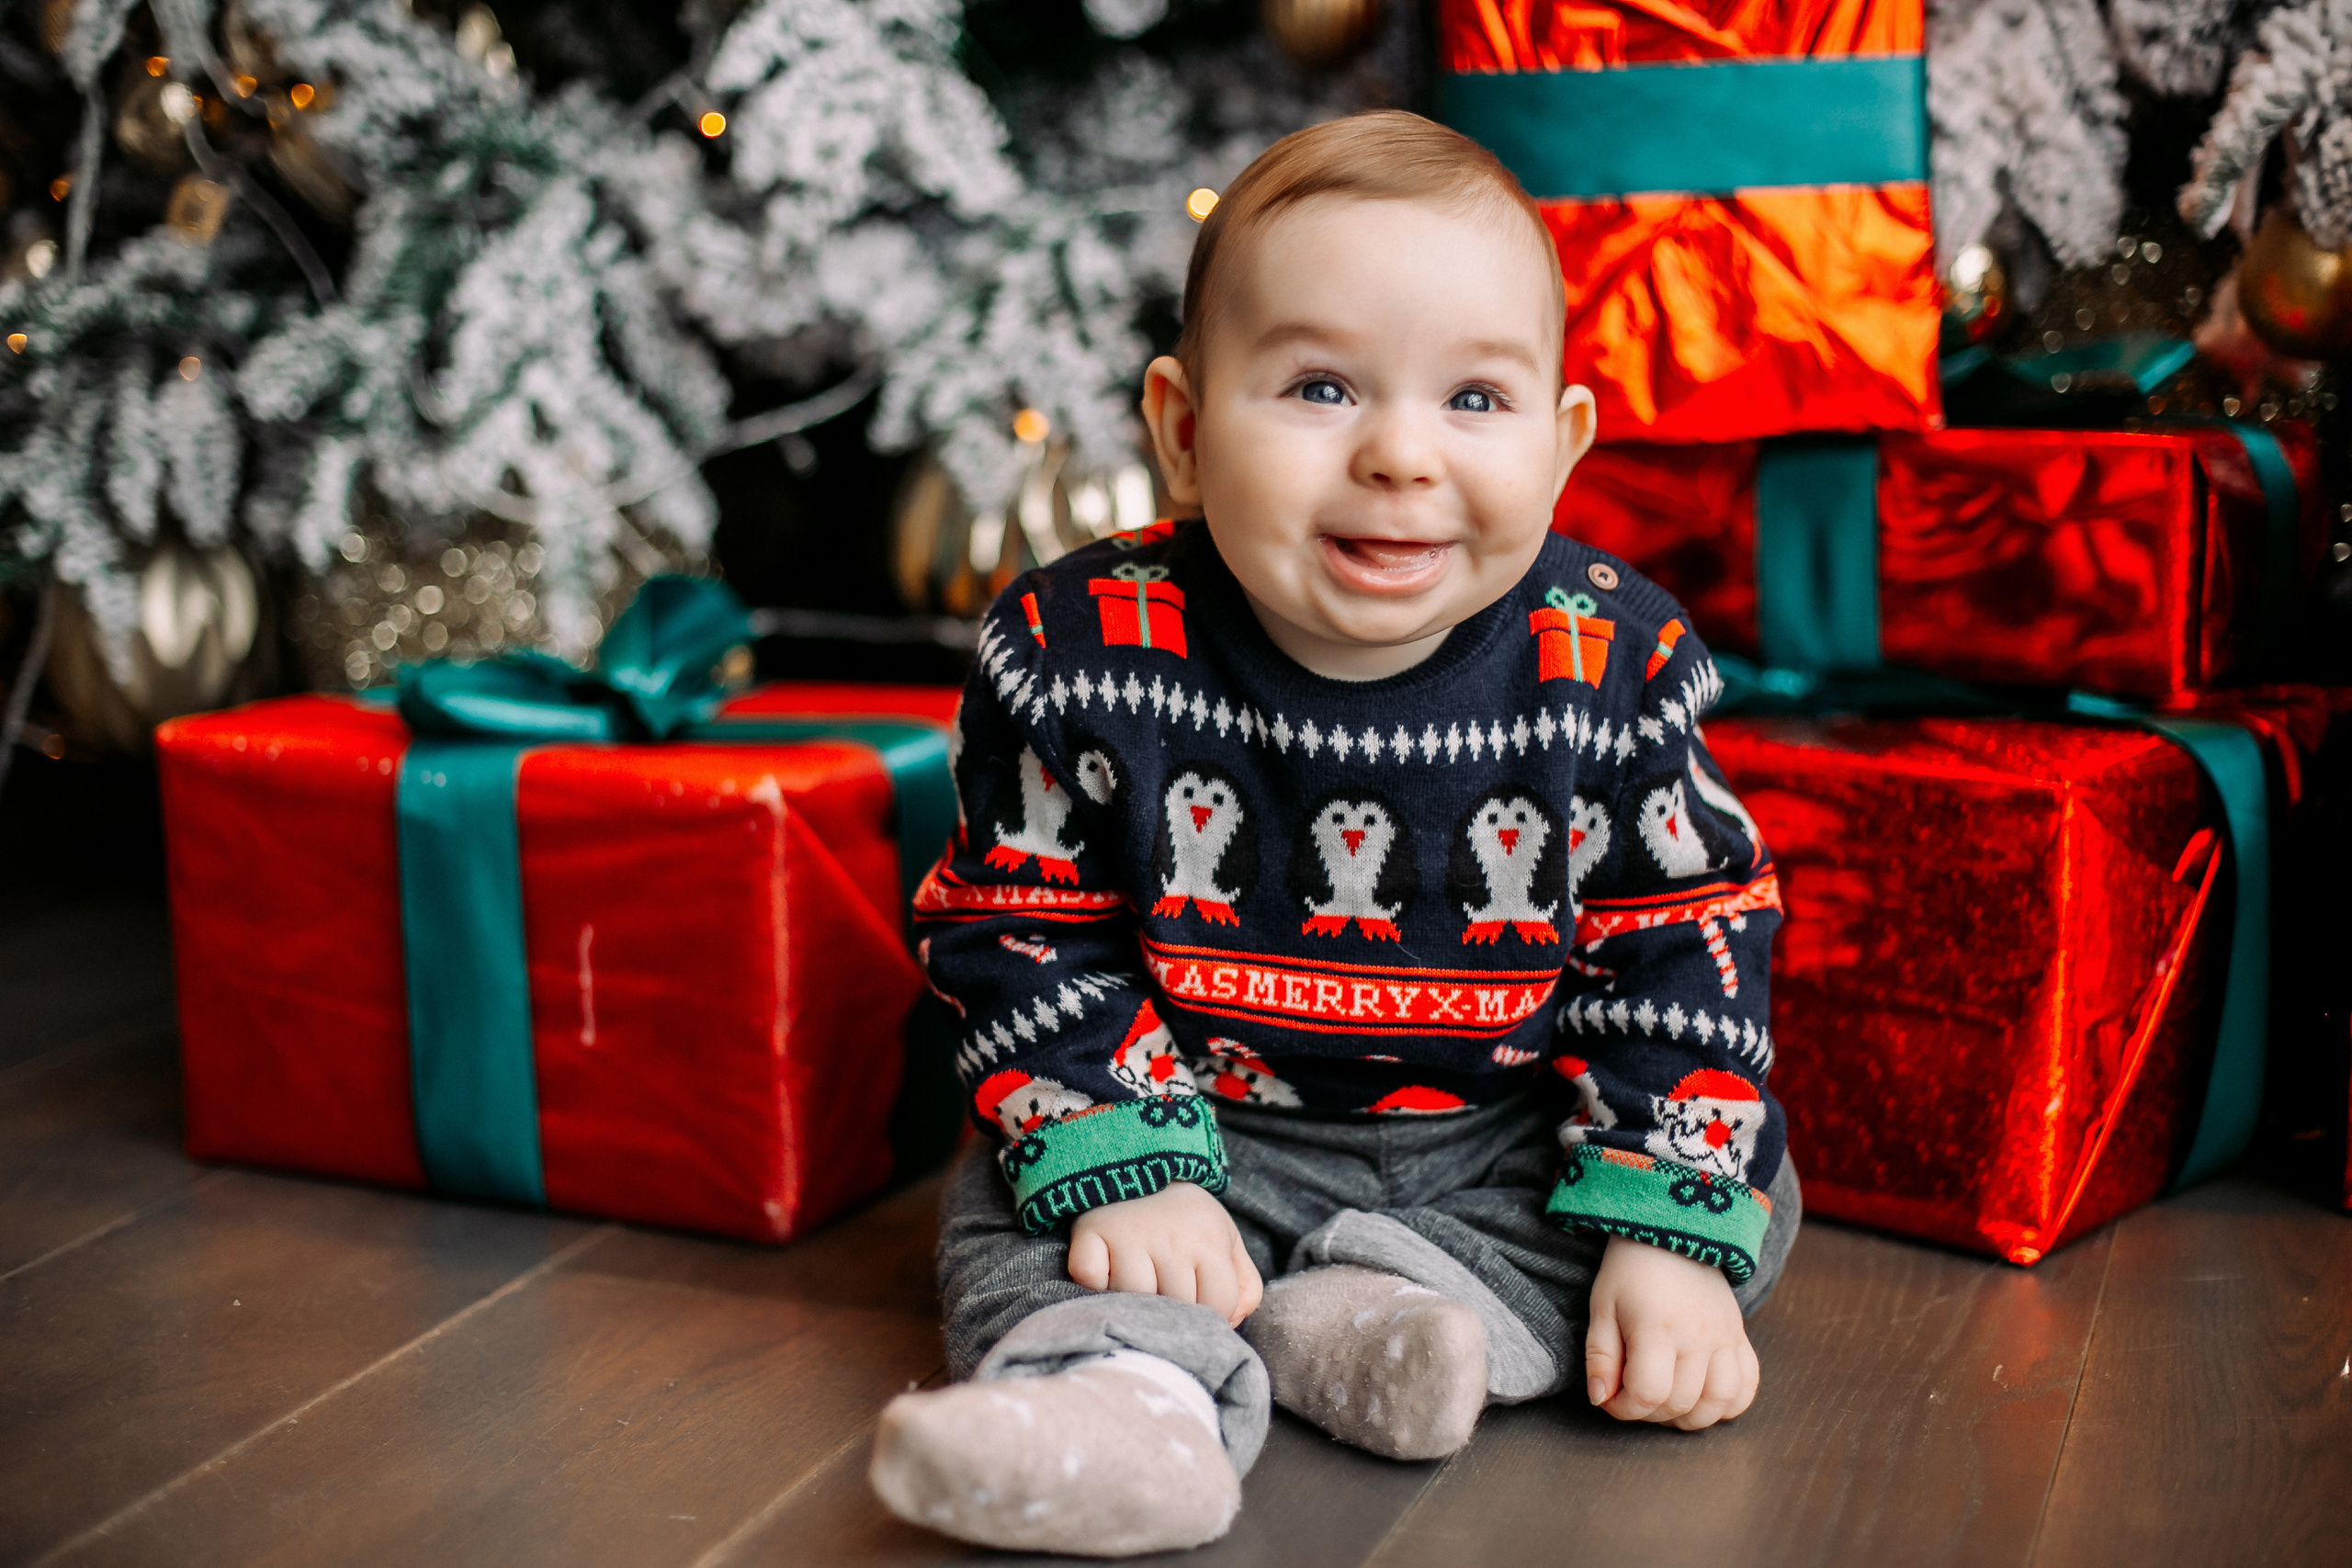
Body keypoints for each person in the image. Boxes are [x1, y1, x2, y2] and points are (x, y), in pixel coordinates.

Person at [868, 109, 1800, 1558]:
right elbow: (1016, 923)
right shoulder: (1080, 648)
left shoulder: (1612, 661)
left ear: (1560, 448)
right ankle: (1127, 1401)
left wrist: (1666, 1237)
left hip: (1501, 1130)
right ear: (1182, 431)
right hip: (1199, 1115)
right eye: (1318, 386)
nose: (1400, 456)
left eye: (1475, 403)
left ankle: (1387, 1321)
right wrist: (1137, 1157)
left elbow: (1687, 950)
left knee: (1729, 1189)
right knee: (1013, 1186)